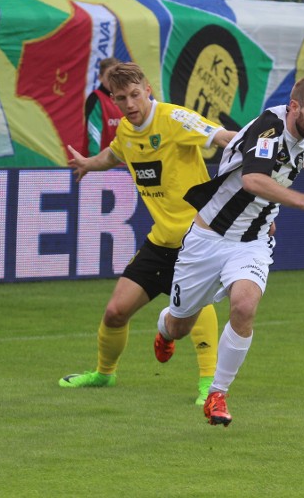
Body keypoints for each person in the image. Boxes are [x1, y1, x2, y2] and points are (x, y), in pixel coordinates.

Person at [153, 75, 304, 426]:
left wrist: (268, 215)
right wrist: (303, 201)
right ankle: (164, 329)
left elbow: (270, 182)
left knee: (245, 305)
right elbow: (253, 179)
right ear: (295, 106)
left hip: (251, 244)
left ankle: (217, 394)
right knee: (179, 324)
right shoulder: (269, 127)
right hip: (208, 240)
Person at [59, 63, 236, 405]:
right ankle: (104, 374)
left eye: (135, 95)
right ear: (113, 99)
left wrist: (255, 144)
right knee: (115, 312)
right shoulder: (127, 131)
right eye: (121, 98)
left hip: (196, 239)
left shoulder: (173, 119)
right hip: (160, 241)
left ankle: (208, 386)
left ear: (148, 89)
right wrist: (87, 164)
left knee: (196, 308)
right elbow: (114, 153)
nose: (129, 104)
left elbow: (220, 136)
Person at [84, 57, 123, 157]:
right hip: (100, 164)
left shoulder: (126, 98)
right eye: (109, 76)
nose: (113, 80)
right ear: (100, 77)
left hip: (124, 163)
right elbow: (94, 133)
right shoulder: (95, 98)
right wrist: (93, 162)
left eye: (116, 76)